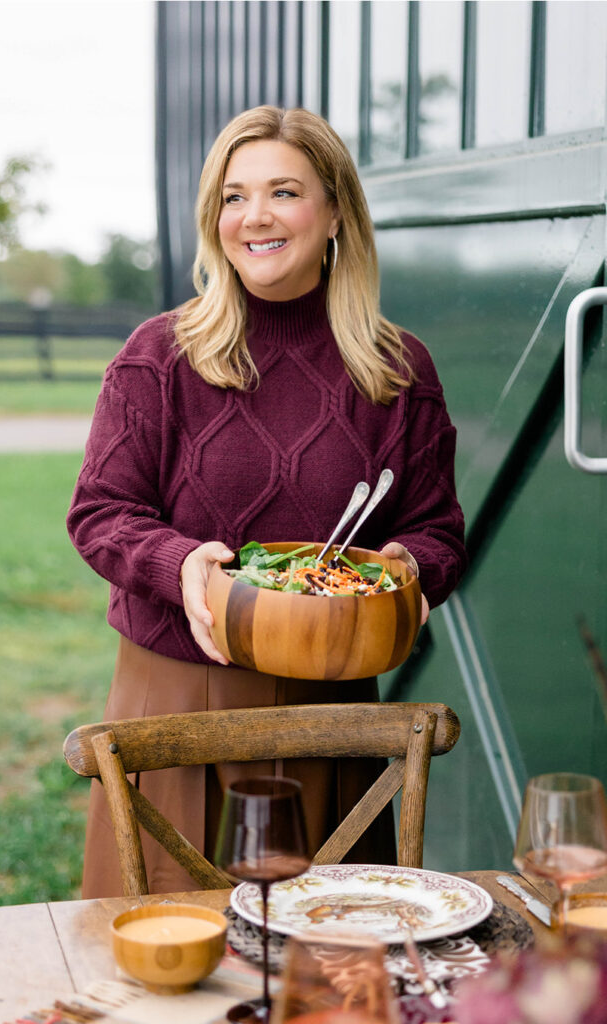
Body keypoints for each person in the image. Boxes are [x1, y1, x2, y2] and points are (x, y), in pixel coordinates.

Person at [66, 105, 467, 898]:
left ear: (335, 212)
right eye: (232, 196)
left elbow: (436, 528)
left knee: (329, 955)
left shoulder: (397, 369)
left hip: (335, 692)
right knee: (165, 946)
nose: (254, 217)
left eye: (283, 192)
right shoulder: (159, 356)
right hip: (175, 684)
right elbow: (100, 511)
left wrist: (407, 570)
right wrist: (178, 563)